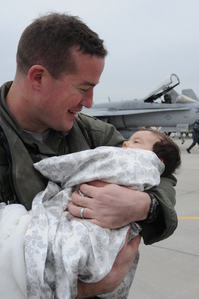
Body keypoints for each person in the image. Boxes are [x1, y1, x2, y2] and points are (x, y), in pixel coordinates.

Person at [0, 13, 178, 298]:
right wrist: (87, 287)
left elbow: (160, 175)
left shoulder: (94, 134)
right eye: (84, 88)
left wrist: (144, 205)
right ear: (38, 77)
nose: (90, 103)